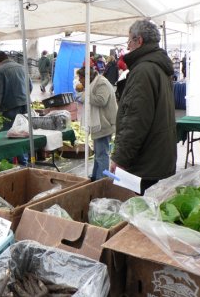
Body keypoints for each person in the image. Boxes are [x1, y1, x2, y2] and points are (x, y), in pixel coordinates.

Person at [110, 20, 177, 194]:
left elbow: (135, 120)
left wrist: (120, 159)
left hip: (145, 164)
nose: (128, 47)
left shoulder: (143, 71)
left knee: (138, 214)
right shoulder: (159, 66)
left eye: (129, 42)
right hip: (158, 159)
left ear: (138, 41)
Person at [0, 51, 32, 165]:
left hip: (9, 109)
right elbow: (30, 87)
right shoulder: (22, 67)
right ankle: (25, 164)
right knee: (22, 136)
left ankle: (9, 167)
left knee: (8, 140)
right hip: (25, 106)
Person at [76, 66, 117, 181]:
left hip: (105, 123)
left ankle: (101, 180)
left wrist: (85, 95)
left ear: (87, 76)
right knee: (98, 154)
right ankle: (95, 177)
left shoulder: (101, 83)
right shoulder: (94, 83)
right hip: (100, 123)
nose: (79, 81)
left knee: (102, 154)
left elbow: (101, 100)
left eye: (81, 78)